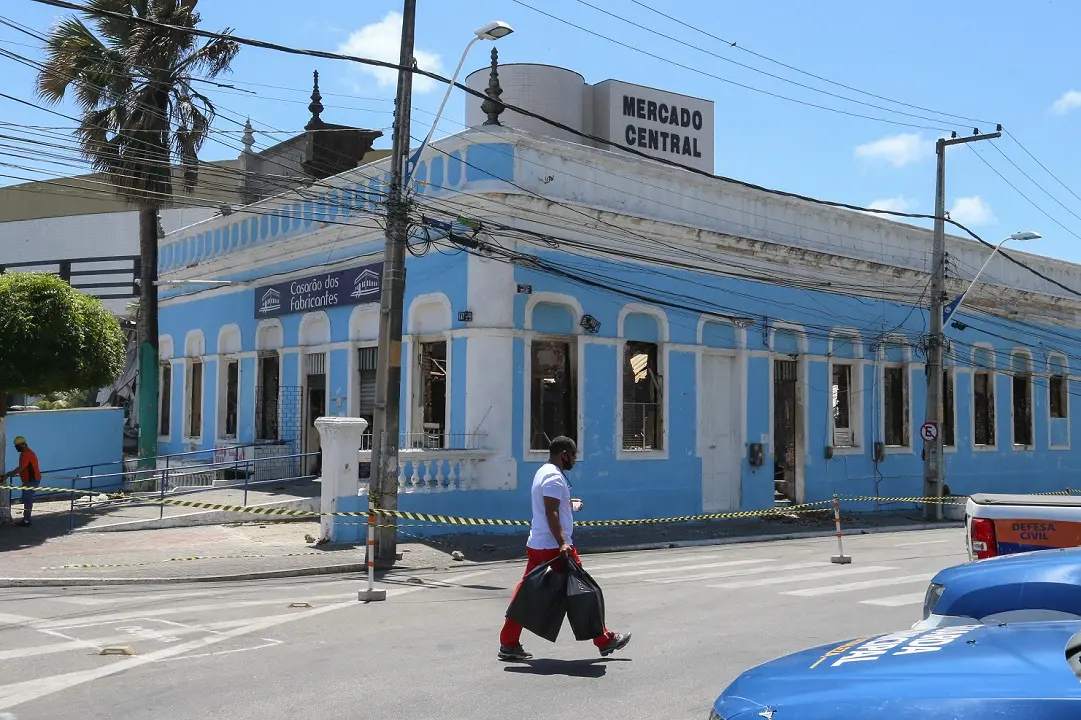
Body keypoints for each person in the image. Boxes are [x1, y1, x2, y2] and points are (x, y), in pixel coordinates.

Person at [498, 435, 631, 661]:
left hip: (538, 544)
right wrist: (562, 543)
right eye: (574, 455)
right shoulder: (554, 478)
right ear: (564, 454)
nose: (575, 460)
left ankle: (508, 642)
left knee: (526, 595)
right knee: (585, 592)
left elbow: (553, 506)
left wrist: (569, 505)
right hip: (554, 547)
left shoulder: (544, 472)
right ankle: (604, 639)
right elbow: (551, 512)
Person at [4, 435, 40, 527]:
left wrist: (8, 474)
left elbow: (21, 468)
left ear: (23, 445)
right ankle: (26, 519)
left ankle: (27, 520)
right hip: (29, 480)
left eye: (17, 446)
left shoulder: (26, 454)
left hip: (31, 481)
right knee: (26, 499)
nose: (16, 448)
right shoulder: (27, 453)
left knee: (27, 500)